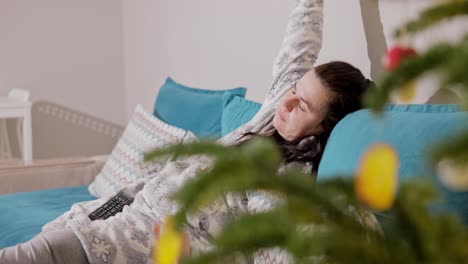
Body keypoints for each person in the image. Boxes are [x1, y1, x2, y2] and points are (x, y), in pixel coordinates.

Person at [0, 0, 372, 263]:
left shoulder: (287, 182)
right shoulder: (273, 115)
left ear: (323, 129)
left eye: (302, 105)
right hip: (116, 211)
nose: (285, 103)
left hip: (138, 244)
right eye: (293, 90)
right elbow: (298, 45)